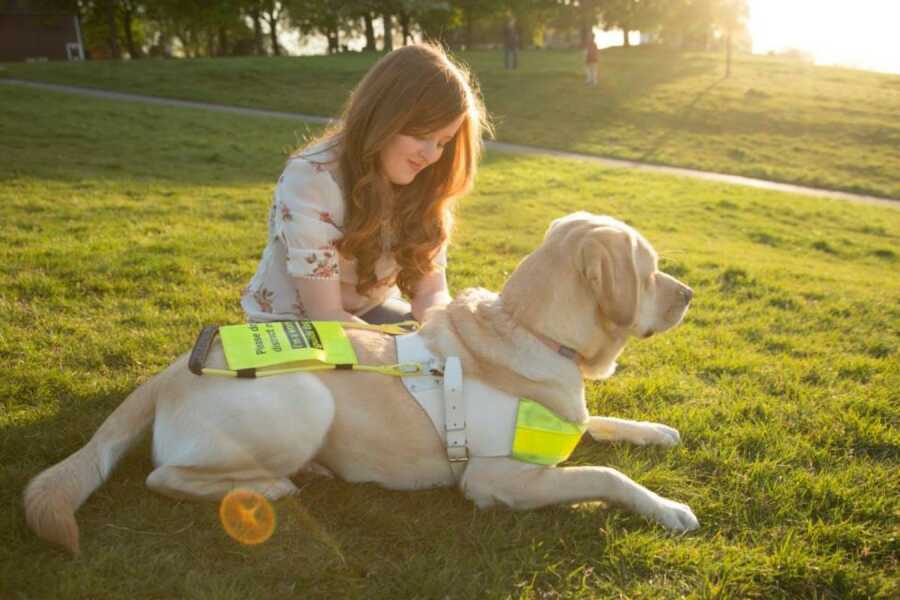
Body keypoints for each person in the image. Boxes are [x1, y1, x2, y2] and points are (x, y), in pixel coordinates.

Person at [241, 43, 490, 326]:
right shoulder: (312, 178)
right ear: (384, 117)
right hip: (293, 324)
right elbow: (325, 315)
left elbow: (432, 291)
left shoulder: (422, 184)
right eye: (423, 135)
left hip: (368, 314)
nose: (431, 155)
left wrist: (438, 331)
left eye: (443, 143)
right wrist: (395, 346)